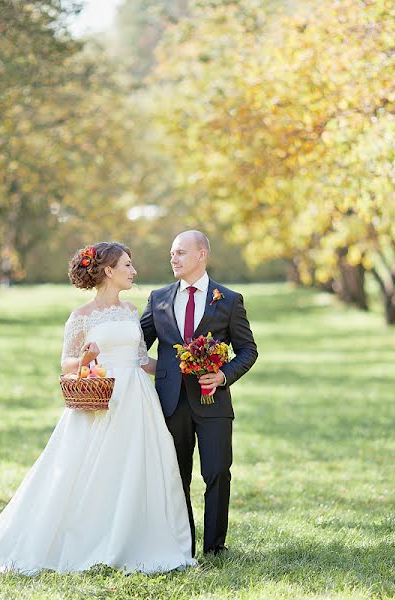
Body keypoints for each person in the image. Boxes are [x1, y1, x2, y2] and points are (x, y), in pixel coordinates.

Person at [0, 242, 195, 575]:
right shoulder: (81, 317)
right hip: (100, 400)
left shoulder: (132, 311)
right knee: (86, 473)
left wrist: (183, 366)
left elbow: (142, 360)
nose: (134, 271)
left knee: (135, 469)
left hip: (138, 404)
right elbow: (66, 365)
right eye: (128, 265)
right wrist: (85, 359)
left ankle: (135, 537)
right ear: (108, 271)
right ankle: (88, 538)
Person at [140, 230, 258, 558]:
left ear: (201, 255)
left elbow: (248, 350)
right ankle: (183, 546)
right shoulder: (159, 298)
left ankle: (215, 548)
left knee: (217, 471)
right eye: (171, 253)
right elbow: (138, 346)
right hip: (170, 403)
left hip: (214, 402)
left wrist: (223, 375)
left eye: (179, 252)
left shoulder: (229, 300)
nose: (173, 258)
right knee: (177, 476)